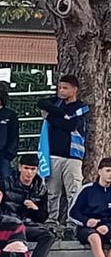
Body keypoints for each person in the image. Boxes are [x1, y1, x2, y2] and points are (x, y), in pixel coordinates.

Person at [37, 74, 89, 228]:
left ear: (75, 90)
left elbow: (71, 125)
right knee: (53, 191)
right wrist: (61, 115)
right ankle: (52, 220)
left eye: (65, 88)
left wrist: (51, 117)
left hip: (73, 156)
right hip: (53, 155)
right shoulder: (56, 104)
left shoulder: (81, 107)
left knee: (73, 191)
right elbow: (41, 103)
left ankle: (71, 222)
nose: (61, 91)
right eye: (59, 87)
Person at [1, 155, 53, 257]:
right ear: (20, 168)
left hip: (27, 226)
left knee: (48, 235)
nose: (29, 172)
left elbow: (43, 216)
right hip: (8, 224)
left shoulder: (40, 188)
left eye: (33, 169)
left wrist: (35, 208)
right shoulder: (6, 183)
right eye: (26, 168)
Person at [70, 157, 111, 257]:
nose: (110, 174)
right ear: (100, 171)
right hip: (86, 228)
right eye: (107, 171)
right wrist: (88, 221)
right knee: (94, 238)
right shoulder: (87, 189)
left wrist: (107, 226)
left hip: (107, 227)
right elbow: (73, 213)